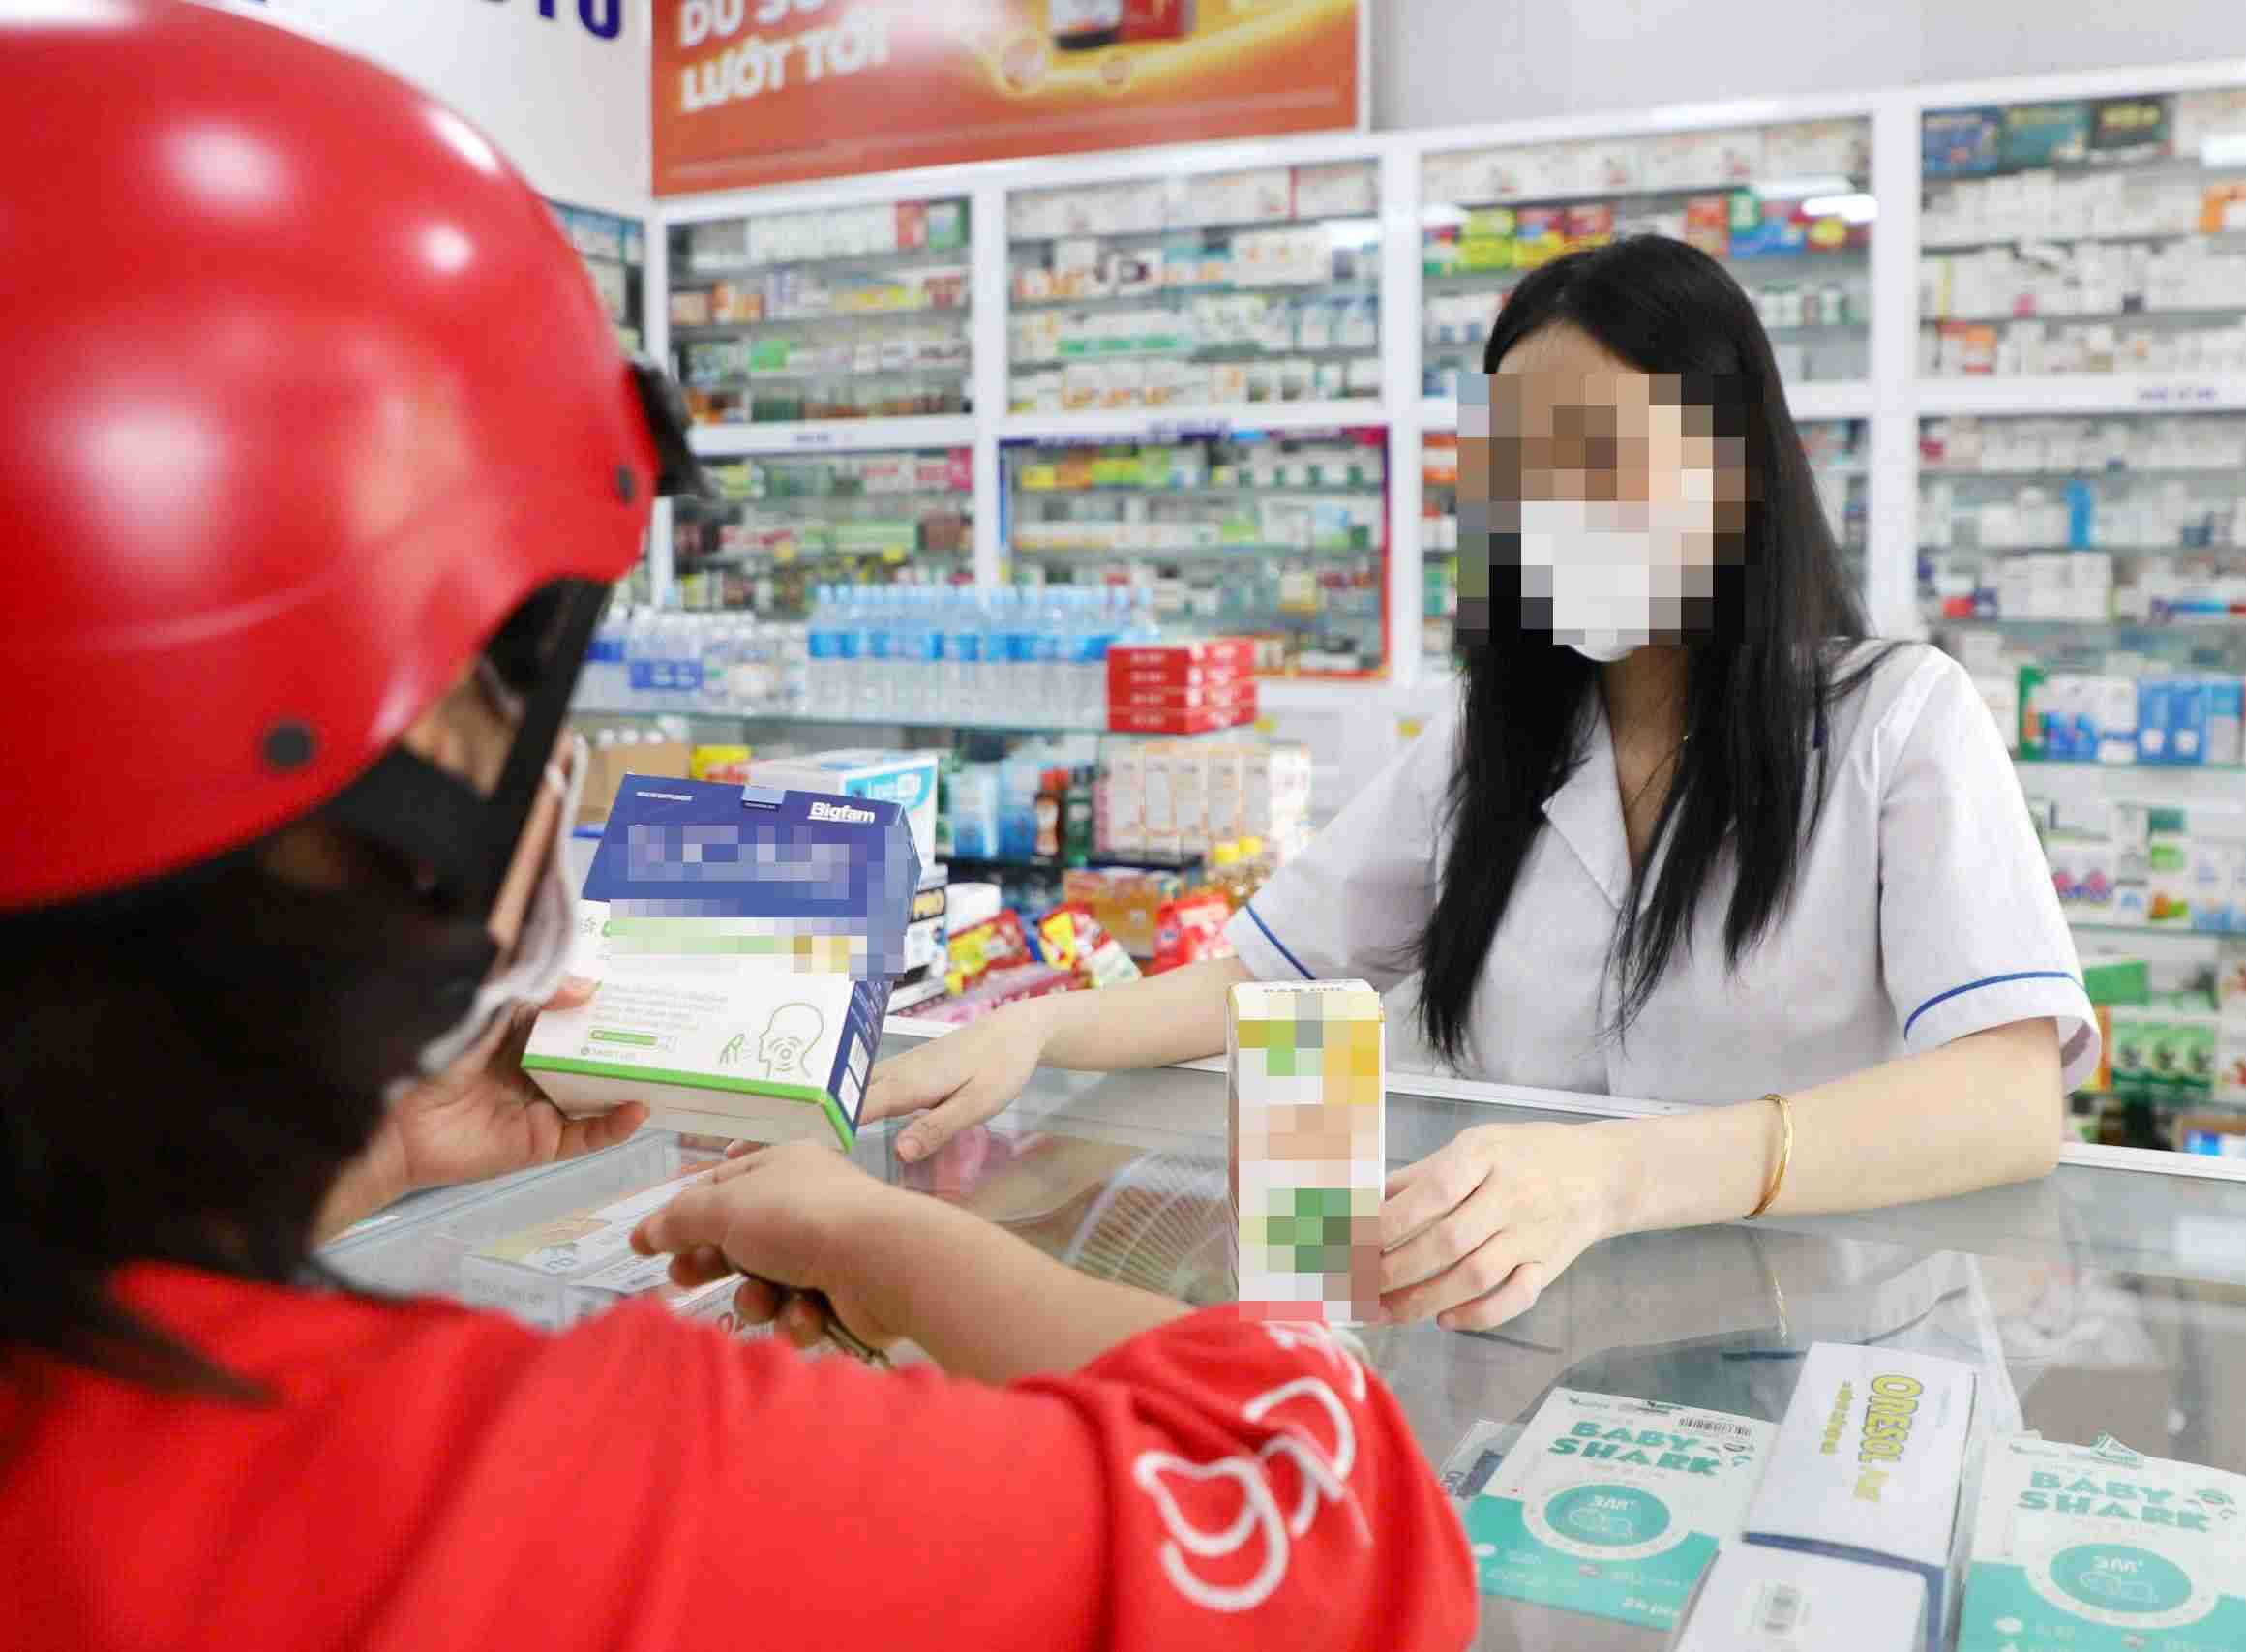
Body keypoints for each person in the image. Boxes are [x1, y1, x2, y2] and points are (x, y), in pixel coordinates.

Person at [0, 9, 1475, 1649]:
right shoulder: (539, 1487)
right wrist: (886, 1238)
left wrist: (352, 1156)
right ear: (380, 737)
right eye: (519, 677)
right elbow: (1337, 1519)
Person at [871, 234, 2096, 1335]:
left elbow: (2005, 1101)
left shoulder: (1896, 718)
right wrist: (1039, 1029)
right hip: (1542, 1351)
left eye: (1600, 455)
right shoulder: (1493, 745)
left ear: (1739, 474)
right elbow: (1266, 974)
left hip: (1835, 1351)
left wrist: (1615, 1177)